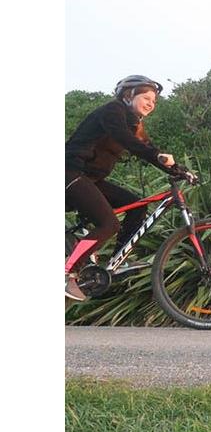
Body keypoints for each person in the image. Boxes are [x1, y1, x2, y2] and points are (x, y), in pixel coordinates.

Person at [65, 75, 179, 300]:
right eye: (146, 98)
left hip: (91, 179)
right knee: (109, 224)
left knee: (137, 205)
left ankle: (117, 260)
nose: (151, 104)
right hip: (70, 173)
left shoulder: (135, 125)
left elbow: (148, 149)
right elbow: (126, 140)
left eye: (154, 101)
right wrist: (157, 155)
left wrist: (179, 170)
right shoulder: (113, 111)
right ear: (128, 96)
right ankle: (68, 273)